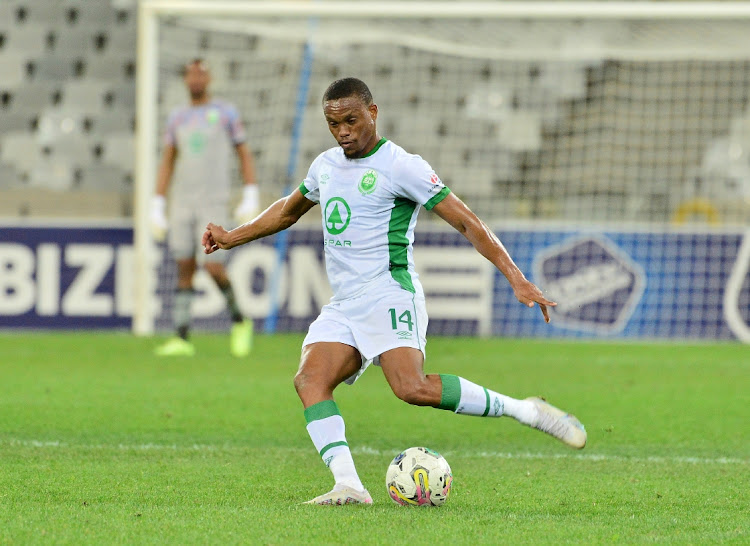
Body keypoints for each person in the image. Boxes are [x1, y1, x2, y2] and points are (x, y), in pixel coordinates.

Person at [202, 78, 586, 505]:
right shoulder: (326, 165)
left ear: (373, 112)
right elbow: (288, 210)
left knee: (411, 388)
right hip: (345, 303)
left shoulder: (402, 166)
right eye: (334, 124)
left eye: (351, 120)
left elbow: (466, 221)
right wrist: (232, 237)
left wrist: (515, 276)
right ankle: (349, 485)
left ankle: (526, 410)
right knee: (310, 380)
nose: (343, 131)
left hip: (389, 293)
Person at [151, 58, 258, 357]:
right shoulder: (177, 117)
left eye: (201, 73)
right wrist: (157, 201)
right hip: (183, 199)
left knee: (211, 265)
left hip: (213, 199)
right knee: (184, 265)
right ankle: (182, 338)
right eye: (191, 73)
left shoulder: (225, 112)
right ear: (185, 79)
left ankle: (240, 320)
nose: (195, 78)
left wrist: (250, 192)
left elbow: (243, 153)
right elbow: (168, 160)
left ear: (209, 78)